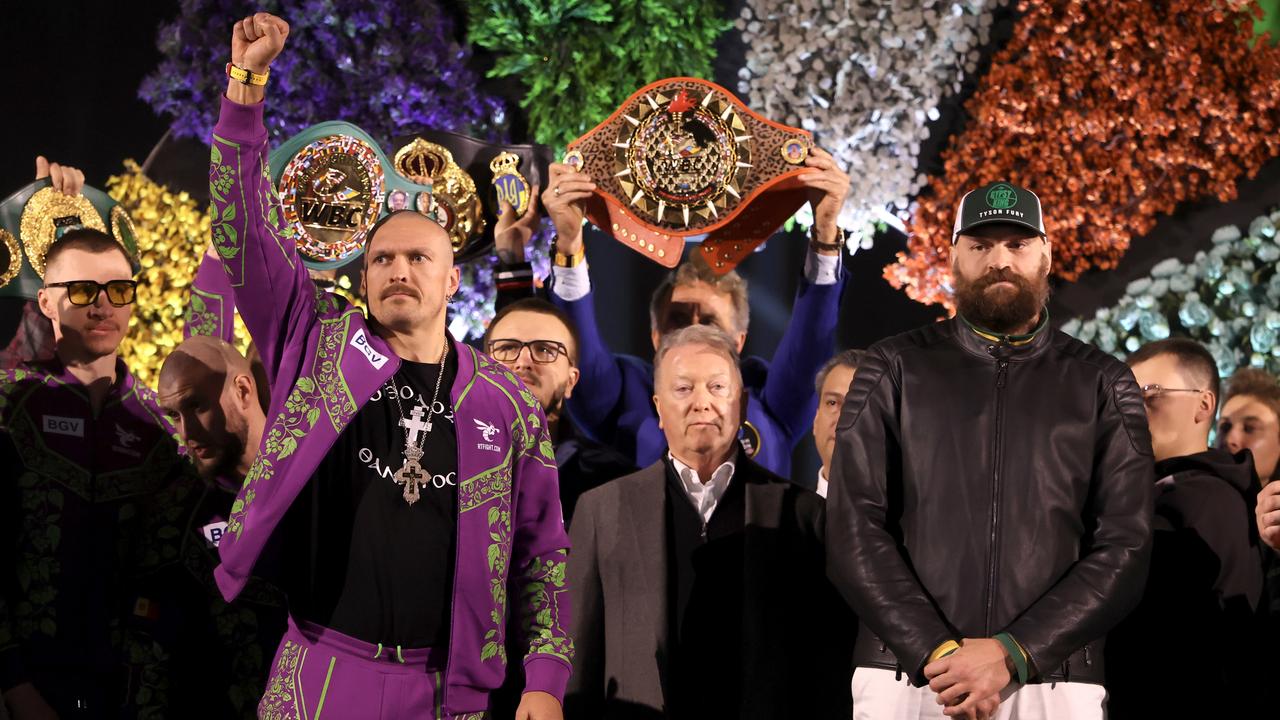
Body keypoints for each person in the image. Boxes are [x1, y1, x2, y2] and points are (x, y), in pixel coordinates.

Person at [209, 14, 571, 719]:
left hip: (445, 693)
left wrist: (545, 679)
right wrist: (244, 92)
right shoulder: (315, 340)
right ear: (364, 274)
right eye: (381, 258)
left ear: (450, 283)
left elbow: (543, 551)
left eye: (417, 259)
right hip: (319, 667)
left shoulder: (507, 403)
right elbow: (244, 229)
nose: (397, 269)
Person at [827, 181, 1153, 720]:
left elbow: (1126, 545)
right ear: (954, 255)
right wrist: (936, 651)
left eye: (1017, 245)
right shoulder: (893, 366)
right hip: (908, 674)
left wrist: (1013, 653)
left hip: (1053, 679)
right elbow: (852, 527)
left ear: (1046, 253)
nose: (999, 260)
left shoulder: (1103, 382)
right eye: (980, 245)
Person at [565, 325, 854, 719]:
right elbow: (579, 658)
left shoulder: (802, 515)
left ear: (742, 402)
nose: (702, 403)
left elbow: (828, 665)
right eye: (683, 389)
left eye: (717, 388)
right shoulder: (601, 509)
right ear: (658, 408)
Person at [540, 148, 850, 476]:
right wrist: (569, 243)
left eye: (711, 321)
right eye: (678, 318)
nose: (693, 328)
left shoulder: (768, 401)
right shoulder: (622, 398)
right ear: (656, 336)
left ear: (739, 340)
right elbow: (580, 349)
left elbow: (809, 345)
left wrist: (826, 235)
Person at [0, 224, 188, 718]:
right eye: (82, 290)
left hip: (131, 695)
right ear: (45, 302)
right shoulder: (8, 405)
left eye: (120, 290)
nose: (103, 306)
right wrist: (13, 684)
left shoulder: (164, 427)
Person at [1105, 338, 1264, 717]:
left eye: (1150, 394)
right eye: (1124, 398)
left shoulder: (1200, 498)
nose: (1134, 411)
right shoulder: (1168, 491)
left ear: (1204, 404)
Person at [145, 335, 286, 718]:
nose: (186, 432)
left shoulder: (316, 475)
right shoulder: (176, 513)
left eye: (196, 406)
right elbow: (152, 658)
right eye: (174, 415)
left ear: (243, 389)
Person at [483, 298, 635, 525]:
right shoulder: (446, 461)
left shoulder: (612, 481)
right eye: (507, 348)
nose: (523, 362)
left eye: (544, 350)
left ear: (571, 381)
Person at [809, 349, 863, 497]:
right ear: (816, 419)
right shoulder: (783, 516)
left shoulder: (914, 517)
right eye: (832, 403)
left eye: (856, 406)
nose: (841, 420)